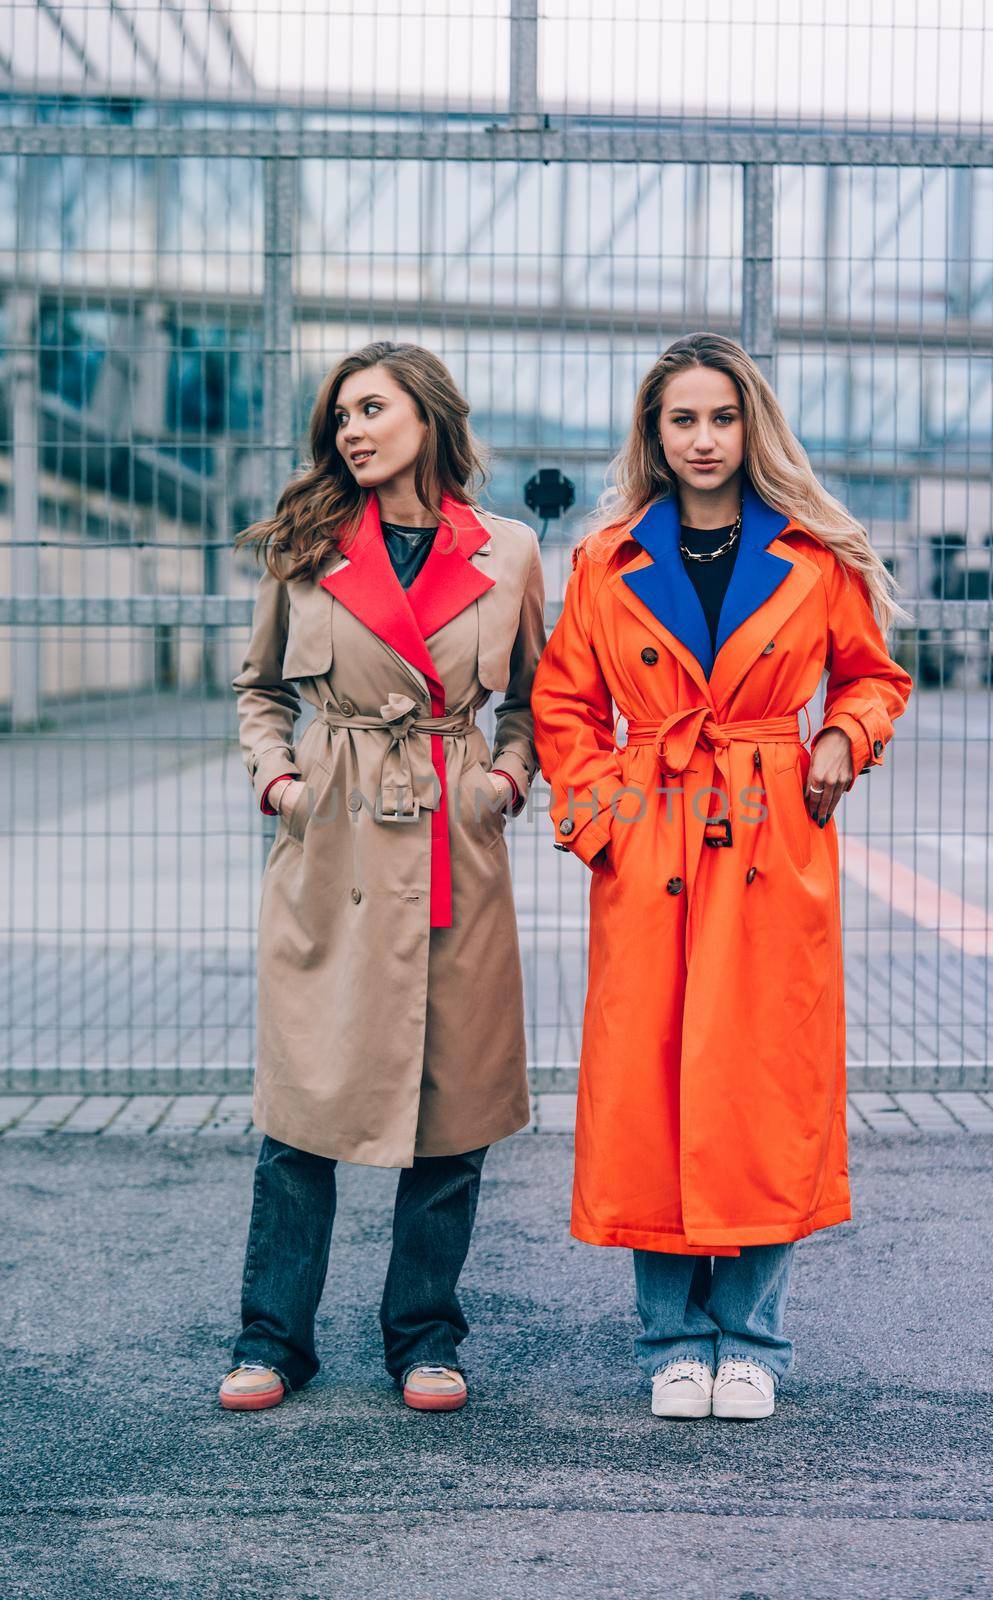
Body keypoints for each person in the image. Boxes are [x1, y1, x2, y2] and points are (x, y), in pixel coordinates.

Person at [530, 332, 913, 1422]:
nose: (704, 439)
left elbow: (874, 675)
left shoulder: (815, 554)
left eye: (722, 417)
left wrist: (843, 734)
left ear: (754, 427)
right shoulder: (606, 558)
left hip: (767, 834)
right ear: (653, 433)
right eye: (682, 419)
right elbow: (564, 704)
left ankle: (751, 1337)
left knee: (762, 1081)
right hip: (650, 833)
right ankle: (671, 1338)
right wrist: (602, 815)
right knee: (647, 1079)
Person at [220, 341, 546, 1413]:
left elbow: (533, 701)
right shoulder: (304, 545)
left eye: (371, 408)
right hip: (336, 840)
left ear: (429, 415)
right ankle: (272, 1338)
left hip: (454, 835)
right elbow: (260, 687)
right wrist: (280, 785)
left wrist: (501, 778)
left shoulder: (509, 550)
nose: (351, 430)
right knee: (302, 1100)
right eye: (340, 417)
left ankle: (425, 1338)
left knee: (452, 1105)